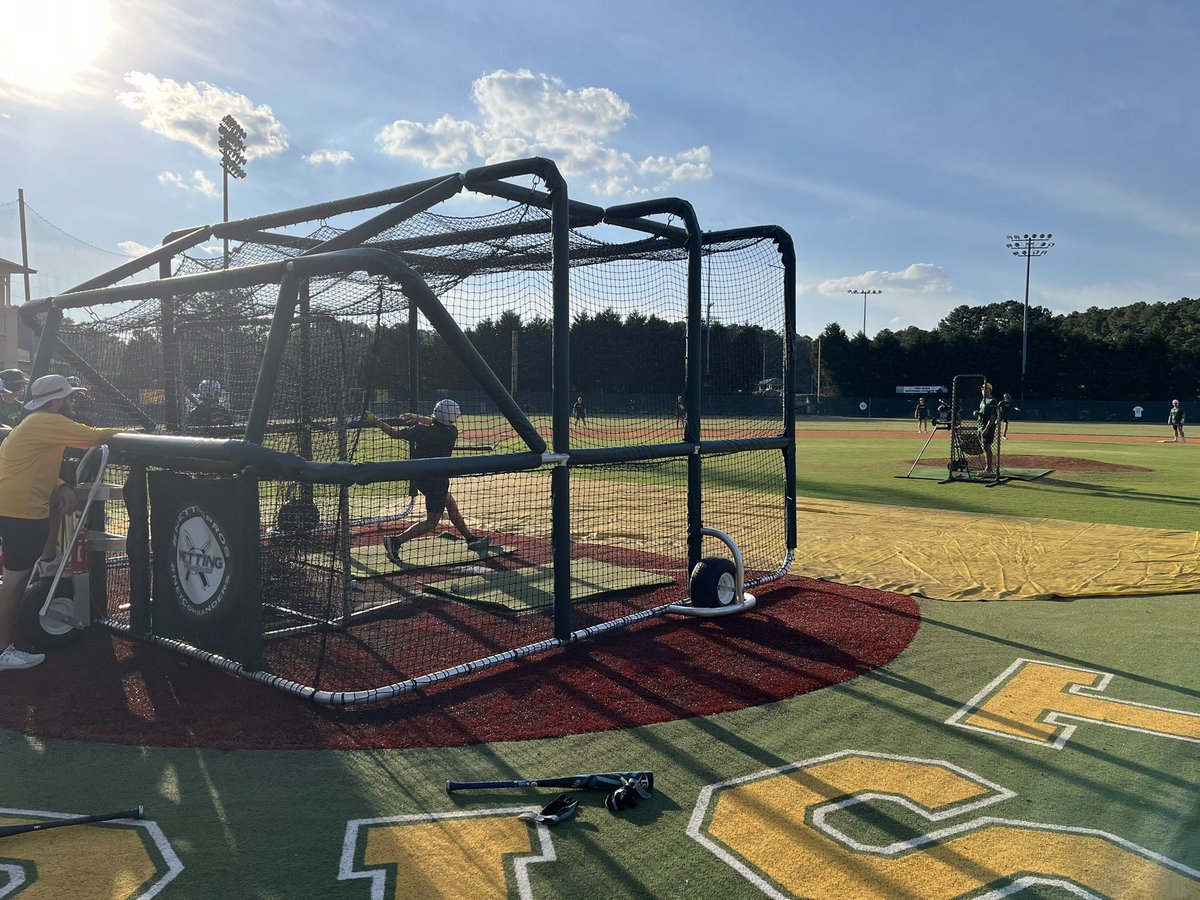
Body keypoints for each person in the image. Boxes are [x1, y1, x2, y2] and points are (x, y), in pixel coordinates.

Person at [0, 374, 127, 671]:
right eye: (69, 397)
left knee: (15, 575)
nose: (72, 402)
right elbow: (92, 437)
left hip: (12, 505)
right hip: (21, 511)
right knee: (15, 581)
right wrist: (134, 433)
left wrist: (59, 485)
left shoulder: (32, 423)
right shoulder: (47, 421)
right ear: (57, 400)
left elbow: (32, 465)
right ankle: (2, 651)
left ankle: (48, 561)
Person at [365, 398, 489, 552]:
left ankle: (470, 539)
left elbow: (394, 433)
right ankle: (395, 541)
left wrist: (377, 420)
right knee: (432, 522)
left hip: (423, 478)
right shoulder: (452, 432)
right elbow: (437, 422)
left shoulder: (420, 431)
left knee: (450, 505)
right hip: (436, 481)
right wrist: (417, 417)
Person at [976, 382, 1000, 473]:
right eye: (981, 388)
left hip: (987, 428)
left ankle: (989, 469)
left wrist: (987, 429)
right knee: (984, 447)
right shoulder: (983, 401)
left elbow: (993, 416)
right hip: (980, 426)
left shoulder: (992, 401)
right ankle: (988, 468)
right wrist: (977, 413)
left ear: (989, 389)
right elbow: (984, 413)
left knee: (987, 447)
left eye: (984, 388)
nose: (982, 390)